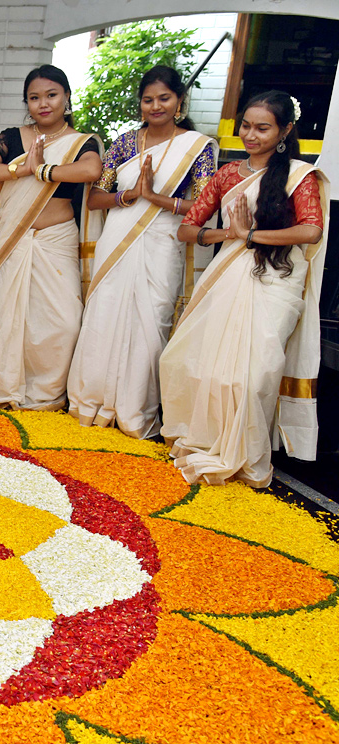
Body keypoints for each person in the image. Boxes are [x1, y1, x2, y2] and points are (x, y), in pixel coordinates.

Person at [161, 90, 328, 487]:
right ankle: (208, 439)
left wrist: (252, 235)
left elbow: (311, 229)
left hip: (276, 278)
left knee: (253, 375)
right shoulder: (227, 174)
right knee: (192, 362)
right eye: (246, 126)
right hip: (228, 273)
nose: (250, 135)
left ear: (285, 130)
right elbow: (187, 229)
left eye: (263, 128)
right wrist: (229, 234)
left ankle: (247, 452)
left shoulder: (298, 176)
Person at [66, 66, 216, 439]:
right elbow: (96, 198)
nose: (155, 106)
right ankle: (91, 400)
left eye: (164, 98)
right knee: (104, 316)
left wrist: (156, 199)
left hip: (163, 242)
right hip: (117, 238)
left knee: (152, 322)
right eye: (148, 99)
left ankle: (134, 408)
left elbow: (204, 207)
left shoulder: (197, 147)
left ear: (179, 101)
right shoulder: (125, 143)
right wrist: (128, 196)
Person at [0, 64, 102, 410]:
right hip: (14, 236)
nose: (43, 104)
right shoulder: (13, 137)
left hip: (55, 241)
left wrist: (44, 171)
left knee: (61, 320)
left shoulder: (81, 142)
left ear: (67, 97)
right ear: (26, 102)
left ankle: (43, 391)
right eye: (34, 97)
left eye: (51, 95)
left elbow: (90, 170)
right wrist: (21, 168)